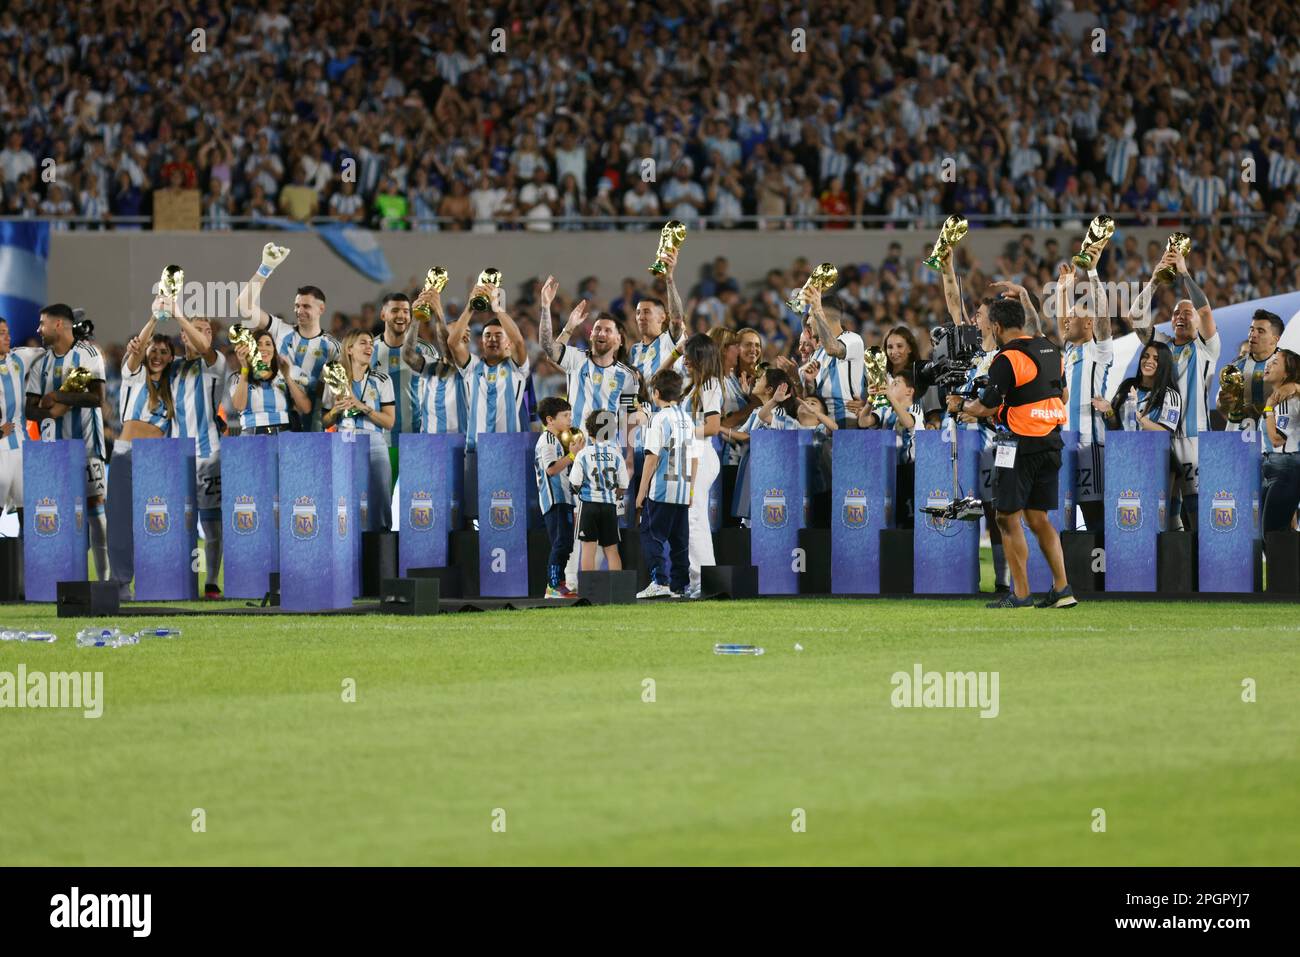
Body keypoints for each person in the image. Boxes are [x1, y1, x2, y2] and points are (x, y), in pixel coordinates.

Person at [946, 297, 1076, 609]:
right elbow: (1063, 393)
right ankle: (1062, 589)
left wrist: (960, 405)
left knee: (1005, 517)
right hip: (1052, 441)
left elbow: (986, 405)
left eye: (988, 324)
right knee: (1038, 517)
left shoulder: (1006, 358)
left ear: (999, 326)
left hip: (1019, 445)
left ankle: (1020, 594)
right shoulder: (1050, 350)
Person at [1128, 246, 1218, 532]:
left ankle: (1201, 572)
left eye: (1186, 313)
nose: (1180, 316)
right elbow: (1135, 317)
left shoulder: (1206, 348)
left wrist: (1184, 273)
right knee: (1166, 512)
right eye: (1176, 312)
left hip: (1195, 438)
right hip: (1161, 435)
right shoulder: (1162, 346)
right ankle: (1176, 573)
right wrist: (1155, 280)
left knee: (1197, 512)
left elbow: (1204, 308)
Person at [25, 303, 109, 581]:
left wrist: (58, 397)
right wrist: (49, 411)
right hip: (55, 451)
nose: (39, 329)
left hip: (87, 447)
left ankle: (106, 581)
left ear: (58, 324)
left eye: (43, 323)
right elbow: (30, 408)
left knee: (95, 513)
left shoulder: (88, 354)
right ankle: (65, 579)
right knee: (60, 515)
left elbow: (97, 398)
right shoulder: (42, 362)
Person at [107, 307, 177, 600]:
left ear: (172, 357)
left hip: (156, 461)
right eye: (153, 350)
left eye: (163, 351)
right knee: (120, 522)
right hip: (125, 455)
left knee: (154, 523)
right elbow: (135, 351)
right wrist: (155, 317)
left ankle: (156, 582)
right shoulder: (134, 375)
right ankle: (121, 583)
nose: (157, 355)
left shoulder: (175, 386)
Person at [236, 242, 340, 430]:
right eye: (297, 306)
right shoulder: (280, 330)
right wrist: (265, 268)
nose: (299, 310)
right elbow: (244, 305)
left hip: (314, 424)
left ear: (321, 309)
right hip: (280, 422)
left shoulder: (333, 346)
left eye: (306, 306)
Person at [162, 301, 226, 598]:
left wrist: (177, 312)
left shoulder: (215, 362)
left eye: (208, 330)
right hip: (177, 457)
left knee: (212, 525)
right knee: (180, 526)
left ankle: (211, 582)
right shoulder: (171, 369)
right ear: (183, 336)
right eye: (197, 329)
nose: (204, 334)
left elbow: (203, 346)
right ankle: (180, 581)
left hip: (209, 454)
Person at [1053, 247, 1114, 534]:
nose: (1066, 321)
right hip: (1066, 441)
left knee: (1094, 514)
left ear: (1089, 324)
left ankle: (1100, 573)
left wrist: (1091, 272)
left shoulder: (1099, 350)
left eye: (1074, 317)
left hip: (1092, 444)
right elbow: (1061, 323)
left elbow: (1102, 314)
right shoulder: (1069, 350)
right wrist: (1064, 291)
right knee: (1064, 512)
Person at [322, 330, 396, 529]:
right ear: (349, 349)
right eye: (363, 343)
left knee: (380, 497)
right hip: (344, 441)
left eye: (371, 343)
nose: (369, 347)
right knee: (345, 496)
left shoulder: (382, 379)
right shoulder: (335, 379)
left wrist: (363, 406)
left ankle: (381, 549)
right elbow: (325, 421)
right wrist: (336, 410)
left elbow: (389, 422)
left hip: (374, 443)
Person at [636, 369, 693, 599]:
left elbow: (651, 457)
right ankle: (680, 585)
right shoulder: (687, 419)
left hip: (661, 489)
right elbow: (694, 457)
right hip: (681, 489)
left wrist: (641, 493)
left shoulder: (659, 418)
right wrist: (690, 489)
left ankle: (659, 581)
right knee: (679, 541)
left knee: (651, 534)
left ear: (656, 393)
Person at [370, 292, 432, 483]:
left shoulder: (425, 350)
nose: (401, 316)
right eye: (395, 310)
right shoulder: (368, 349)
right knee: (381, 506)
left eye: (406, 311)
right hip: (379, 442)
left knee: (413, 504)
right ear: (383, 315)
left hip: (414, 440)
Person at [679, 332, 723, 598]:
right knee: (692, 519)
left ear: (700, 356)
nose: (684, 359)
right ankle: (698, 579)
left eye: (688, 354)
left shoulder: (710, 385)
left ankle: (704, 580)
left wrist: (680, 431)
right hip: (693, 454)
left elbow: (714, 427)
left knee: (695, 519)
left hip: (701, 454)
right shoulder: (695, 385)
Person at [403, 282, 470, 435]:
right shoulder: (430, 365)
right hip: (429, 442)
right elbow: (407, 355)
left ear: (466, 339)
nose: (450, 339)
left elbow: (449, 350)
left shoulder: (471, 367)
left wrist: (439, 312)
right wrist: (415, 319)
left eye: (455, 336)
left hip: (458, 442)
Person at [859, 370, 923, 524]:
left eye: (895, 383)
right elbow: (862, 422)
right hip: (888, 470)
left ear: (909, 391)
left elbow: (908, 423)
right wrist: (870, 400)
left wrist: (890, 396)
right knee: (891, 517)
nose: (890, 386)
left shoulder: (915, 409)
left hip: (910, 471)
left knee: (908, 519)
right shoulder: (886, 411)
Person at [568, 409, 627, 576]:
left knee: (588, 549)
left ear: (589, 431)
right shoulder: (616, 454)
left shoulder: (583, 454)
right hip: (609, 505)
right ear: (611, 431)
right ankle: (616, 591)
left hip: (588, 506)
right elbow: (623, 484)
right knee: (612, 550)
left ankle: (590, 592)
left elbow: (575, 482)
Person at [799, 284, 865, 429]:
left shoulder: (853, 339)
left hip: (848, 423)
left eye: (811, 316)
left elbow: (833, 348)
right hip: (823, 427)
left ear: (823, 316)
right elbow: (812, 397)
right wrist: (809, 383)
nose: (809, 321)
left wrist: (817, 309)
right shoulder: (816, 354)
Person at [0, 317, 43, 531]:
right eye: (1, 333)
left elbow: (48, 350)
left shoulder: (18, 358)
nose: (7, 336)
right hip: (0, 451)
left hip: (21, 451)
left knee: (27, 513)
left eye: (7, 331)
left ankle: (27, 563)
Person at [228, 328, 313, 433]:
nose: (263, 348)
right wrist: (245, 368)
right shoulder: (239, 377)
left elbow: (306, 408)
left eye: (268, 344)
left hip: (283, 436)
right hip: (252, 437)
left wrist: (287, 378)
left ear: (274, 349)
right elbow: (239, 406)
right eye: (258, 344)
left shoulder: (285, 374)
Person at [534, 396, 578, 599]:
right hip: (555, 499)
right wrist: (571, 456)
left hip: (563, 498)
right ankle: (552, 585)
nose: (569, 419)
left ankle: (558, 583)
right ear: (550, 419)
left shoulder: (555, 440)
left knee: (566, 543)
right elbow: (551, 469)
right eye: (565, 415)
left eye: (570, 414)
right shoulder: (548, 440)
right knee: (561, 542)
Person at [1097, 340, 1182, 434]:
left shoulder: (1170, 395)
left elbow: (1165, 433)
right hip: (1122, 446)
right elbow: (1114, 426)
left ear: (1164, 364)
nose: (1149, 361)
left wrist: (1133, 409)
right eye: (1145, 356)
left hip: (1150, 448)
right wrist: (1109, 410)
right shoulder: (1128, 385)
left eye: (1156, 359)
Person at [1217, 310, 1283, 433]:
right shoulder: (1235, 367)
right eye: (1252, 329)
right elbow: (1221, 406)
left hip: (1276, 443)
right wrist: (1224, 402)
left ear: (1274, 339)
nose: (1253, 334)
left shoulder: (1290, 366)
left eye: (1260, 331)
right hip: (1239, 441)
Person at [1260, 349, 1300, 534]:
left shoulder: (1286, 400)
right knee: (1272, 533)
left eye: (1275, 362)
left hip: (1285, 468)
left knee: (1274, 533)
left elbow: (1277, 439)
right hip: (1275, 467)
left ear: (1287, 373)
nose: (1268, 364)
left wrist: (1268, 407)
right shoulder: (1282, 398)